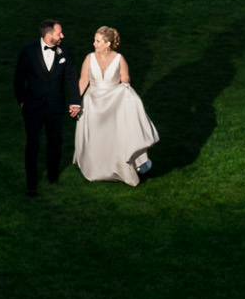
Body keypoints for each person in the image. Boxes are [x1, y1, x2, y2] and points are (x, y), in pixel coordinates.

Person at [74, 27, 159, 185]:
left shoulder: (120, 59)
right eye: (95, 40)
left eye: (98, 41)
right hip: (92, 103)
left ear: (108, 43)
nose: (94, 43)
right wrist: (75, 101)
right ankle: (95, 167)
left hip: (113, 103)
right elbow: (83, 80)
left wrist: (126, 85)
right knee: (96, 135)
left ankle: (119, 165)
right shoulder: (89, 58)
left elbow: (125, 79)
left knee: (113, 135)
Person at [12, 19, 80, 196]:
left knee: (55, 142)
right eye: (59, 33)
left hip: (56, 107)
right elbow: (19, 78)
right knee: (32, 144)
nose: (62, 36)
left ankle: (52, 175)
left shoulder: (64, 50)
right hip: (33, 107)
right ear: (49, 35)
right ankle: (31, 183)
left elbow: (71, 77)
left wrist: (75, 101)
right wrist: (22, 100)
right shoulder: (28, 51)